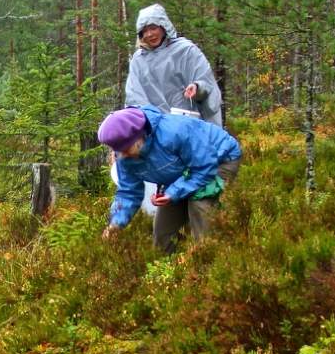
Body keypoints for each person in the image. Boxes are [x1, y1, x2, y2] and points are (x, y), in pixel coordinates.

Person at [99, 106, 241, 253]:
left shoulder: (175, 131)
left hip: (218, 161)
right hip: (183, 173)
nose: (123, 155)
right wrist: (115, 224)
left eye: (126, 149)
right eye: (119, 151)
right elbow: (128, 193)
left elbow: (204, 167)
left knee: (199, 205)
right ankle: (168, 264)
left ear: (138, 137)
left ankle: (208, 258)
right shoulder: (124, 157)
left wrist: (172, 193)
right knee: (163, 233)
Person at [125, 3, 222, 127]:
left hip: (189, 126)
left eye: (153, 28)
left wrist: (197, 87)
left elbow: (207, 83)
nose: (149, 34)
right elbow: (134, 97)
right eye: (144, 31)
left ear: (163, 26)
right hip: (156, 129)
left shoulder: (185, 51)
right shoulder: (138, 61)